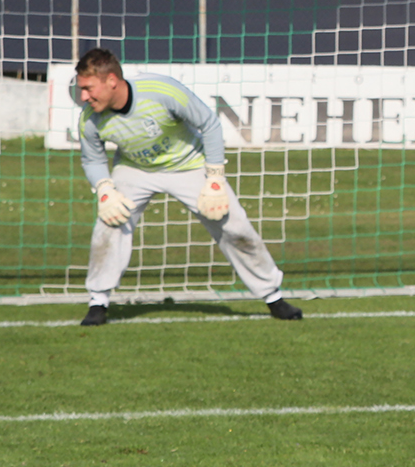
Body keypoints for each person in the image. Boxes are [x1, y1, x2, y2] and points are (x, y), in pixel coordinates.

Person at [72, 47, 302, 326]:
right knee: (109, 224)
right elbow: (93, 159)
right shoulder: (89, 118)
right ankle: (98, 302)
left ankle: (273, 297)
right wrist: (105, 190)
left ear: (111, 80)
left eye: (88, 88)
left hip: (189, 164)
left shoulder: (162, 91)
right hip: (135, 169)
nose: (83, 96)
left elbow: (209, 124)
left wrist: (215, 179)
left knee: (235, 226)